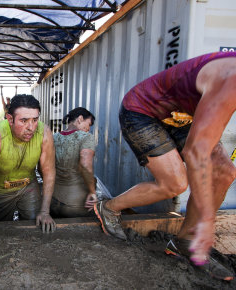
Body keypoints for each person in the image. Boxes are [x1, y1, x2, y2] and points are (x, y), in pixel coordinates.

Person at [98, 51, 236, 281]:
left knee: (225, 173)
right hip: (143, 111)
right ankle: (109, 207)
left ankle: (185, 242)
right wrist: (207, 221)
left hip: (183, 116)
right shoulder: (231, 79)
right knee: (175, 184)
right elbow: (196, 152)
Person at [0, 94, 56, 233]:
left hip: (28, 187)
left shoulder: (44, 133)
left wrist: (45, 212)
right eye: (24, 121)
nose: (31, 127)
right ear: (10, 119)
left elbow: (49, 173)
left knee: (35, 227)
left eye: (35, 120)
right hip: (0, 190)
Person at [51, 107, 98, 217]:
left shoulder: (53, 138)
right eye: (89, 124)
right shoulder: (86, 137)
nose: (88, 129)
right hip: (77, 204)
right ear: (80, 119)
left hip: (52, 202)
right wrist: (92, 192)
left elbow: (41, 168)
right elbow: (85, 165)